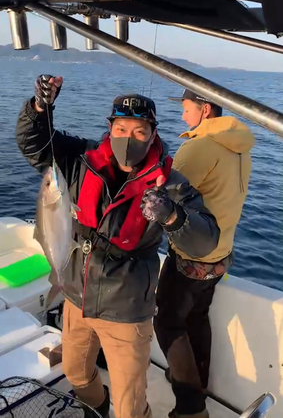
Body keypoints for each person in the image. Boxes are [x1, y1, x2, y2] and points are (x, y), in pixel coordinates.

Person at [16, 76, 220, 418]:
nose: (129, 138)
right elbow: (34, 142)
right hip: (75, 295)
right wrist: (40, 108)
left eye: (140, 132)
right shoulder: (80, 159)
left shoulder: (169, 182)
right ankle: (95, 409)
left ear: (153, 134)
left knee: (130, 405)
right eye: (122, 128)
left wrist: (172, 215)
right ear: (109, 128)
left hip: (126, 308)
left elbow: (207, 237)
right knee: (76, 372)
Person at [154, 89, 255, 418]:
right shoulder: (239, 145)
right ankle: (200, 383)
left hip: (190, 255)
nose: (183, 117)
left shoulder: (199, 147)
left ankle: (190, 406)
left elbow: (163, 193)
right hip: (221, 254)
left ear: (205, 109)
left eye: (186, 109)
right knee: (196, 317)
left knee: (168, 322)